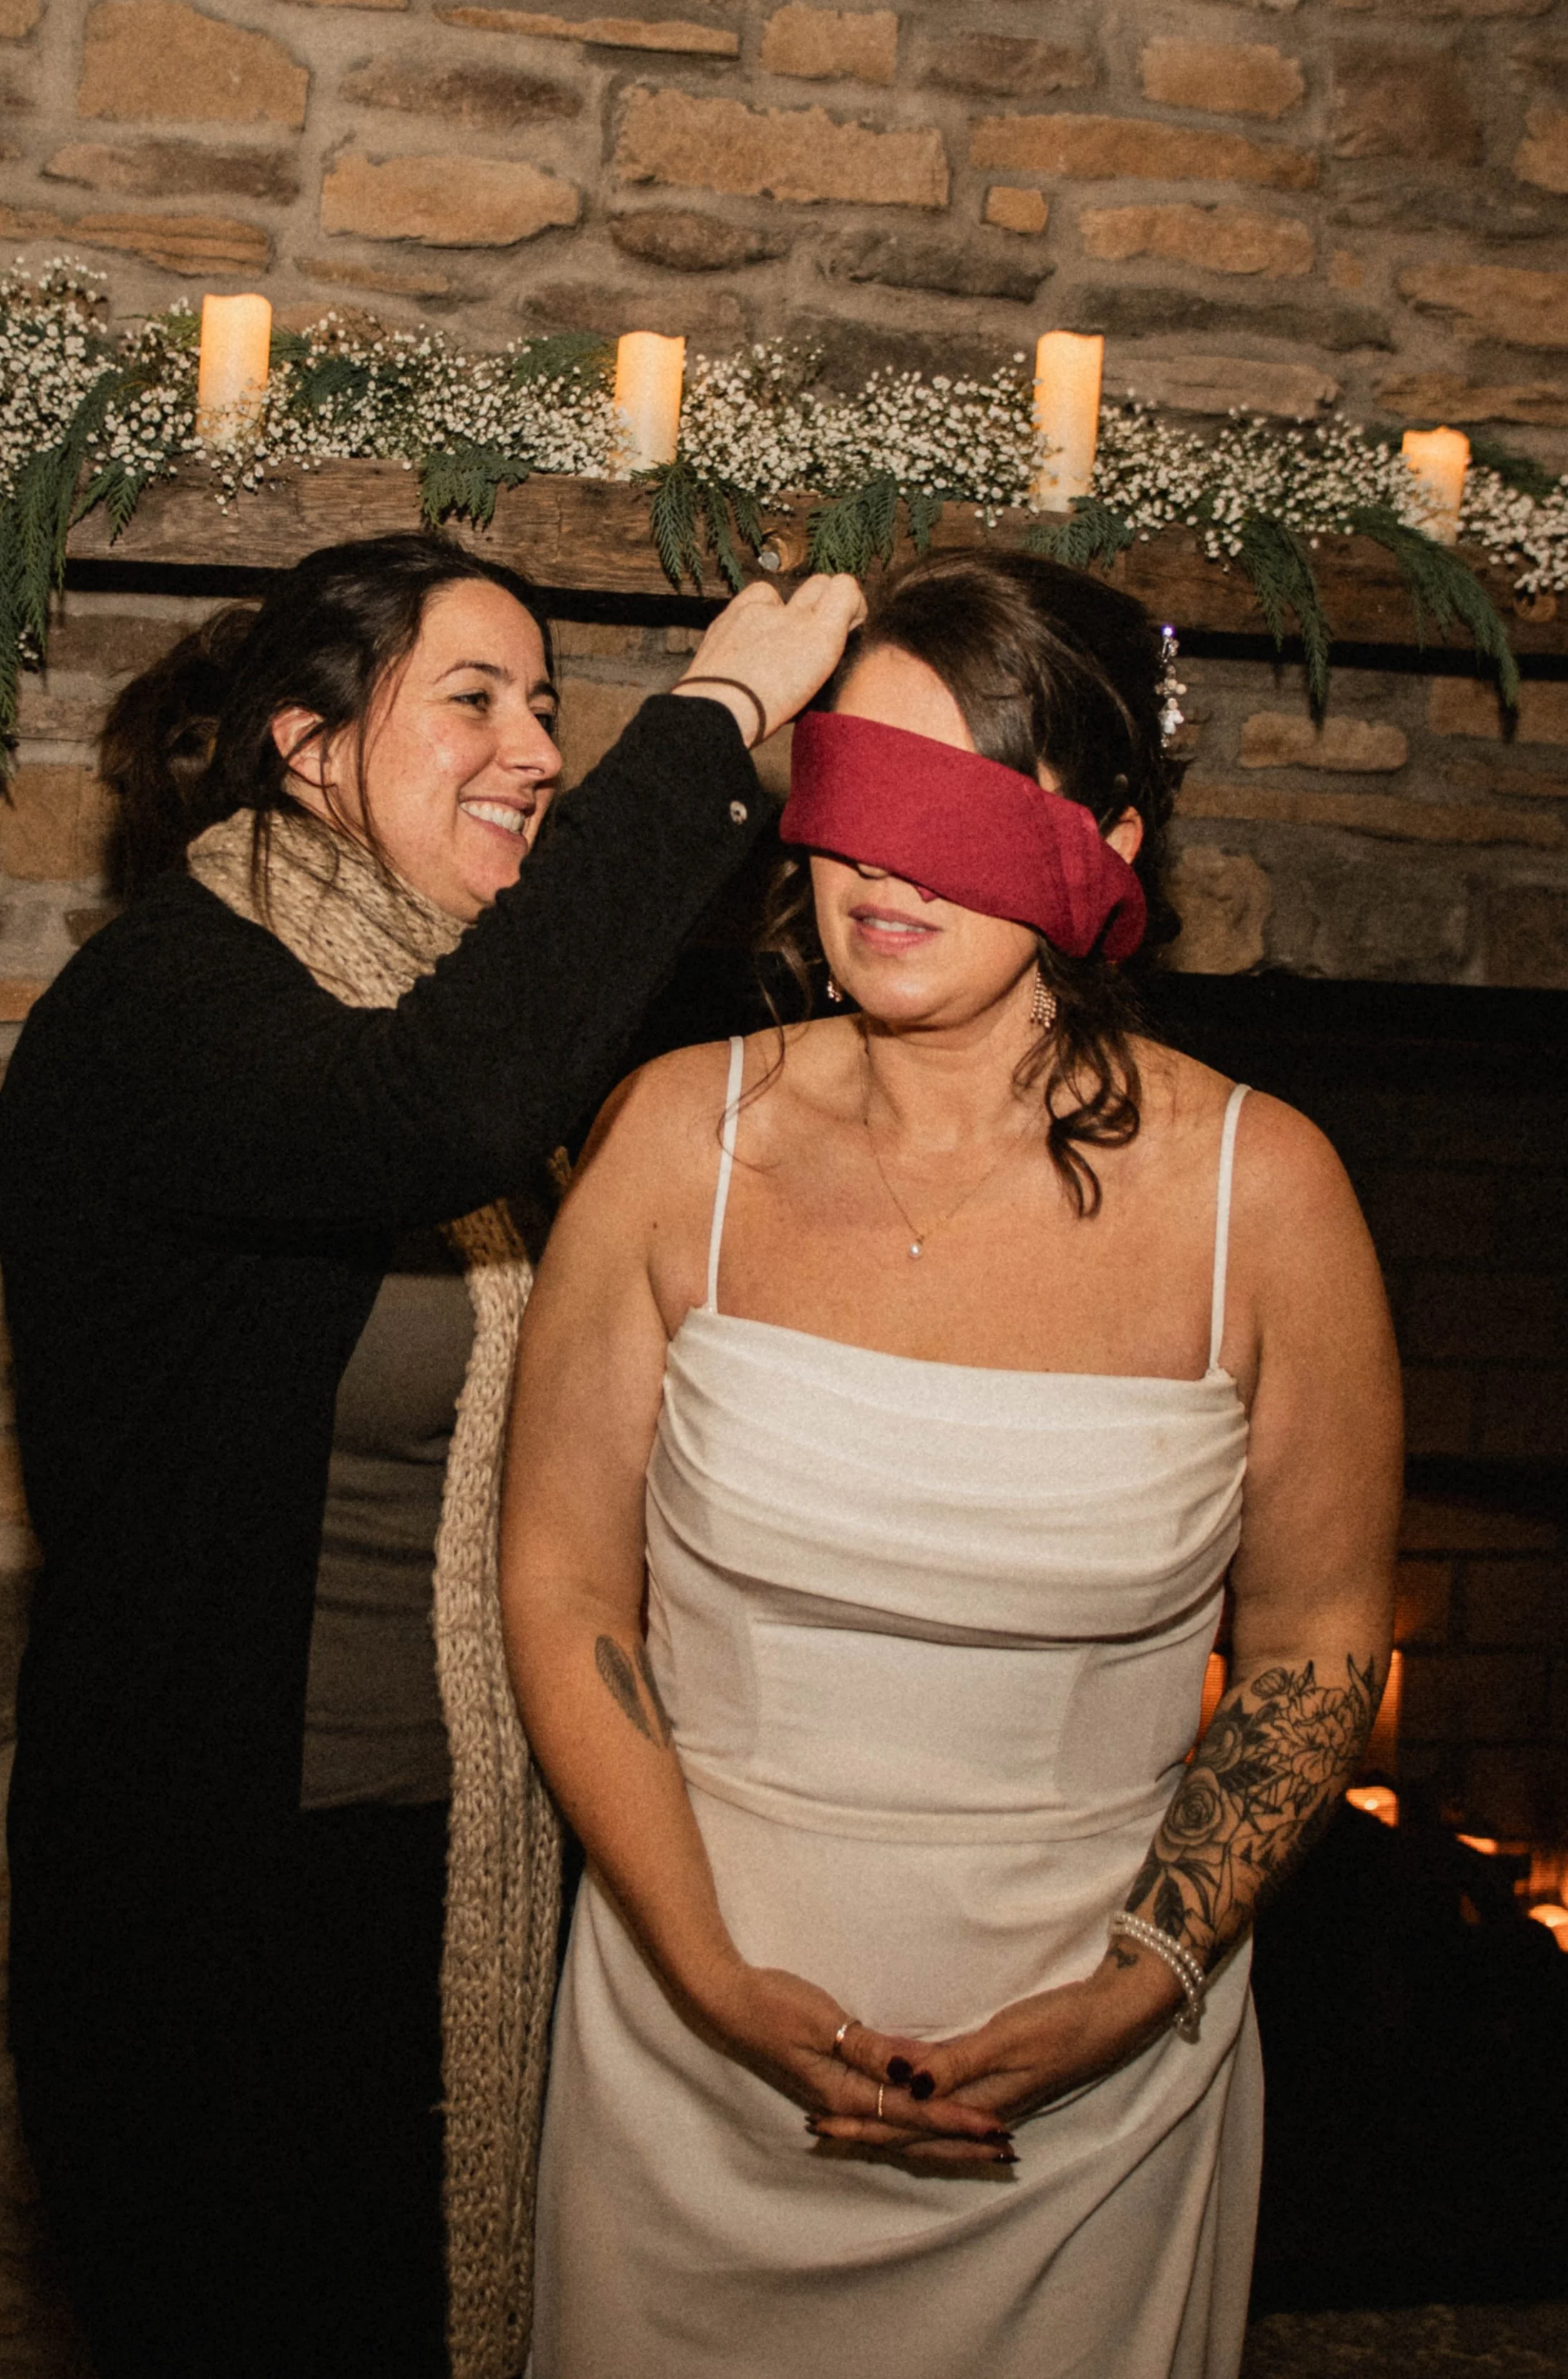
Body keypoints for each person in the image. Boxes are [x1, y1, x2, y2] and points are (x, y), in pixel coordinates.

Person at [501, 547, 1402, 2379]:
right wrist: (706, 1976)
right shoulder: (677, 1141)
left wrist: (1137, 1983)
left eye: (966, 803)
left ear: (1110, 845)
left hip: (1089, 2091)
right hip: (693, 2047)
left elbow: (1312, 1640)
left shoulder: (1269, 1196)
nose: (884, 864)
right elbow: (563, 1577)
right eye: (850, 795)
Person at [0, 531, 864, 2379]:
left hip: (458, 1856)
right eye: (471, 697)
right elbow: (440, 1102)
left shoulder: (454, 1010)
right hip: (226, 1896)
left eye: (549, 706)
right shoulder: (170, 1005)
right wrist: (708, 715)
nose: (535, 748)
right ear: (307, 750)